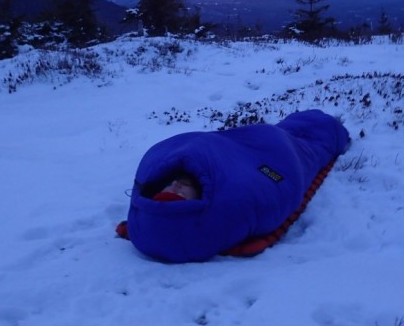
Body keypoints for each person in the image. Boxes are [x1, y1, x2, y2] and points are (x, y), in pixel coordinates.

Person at [120, 109, 350, 263]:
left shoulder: (168, 191)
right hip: (281, 148)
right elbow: (276, 184)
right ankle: (329, 127)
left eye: (168, 190)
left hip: (244, 141)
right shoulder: (231, 201)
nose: (175, 186)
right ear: (196, 204)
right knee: (307, 140)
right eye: (180, 194)